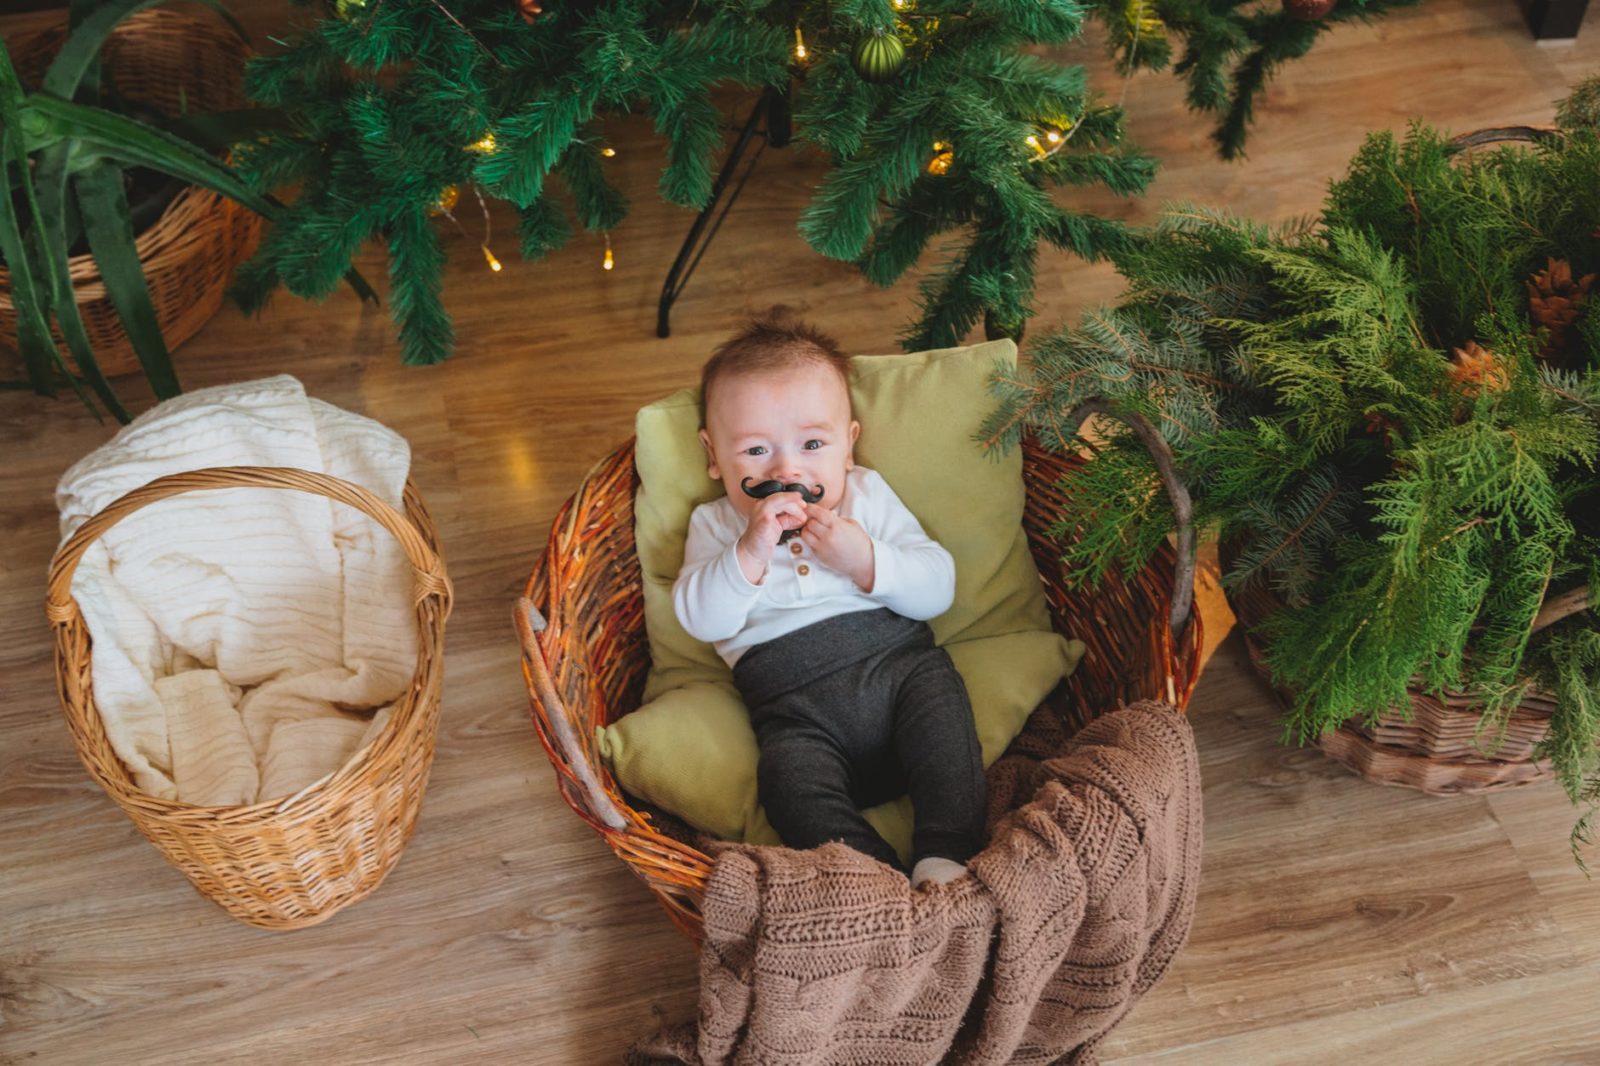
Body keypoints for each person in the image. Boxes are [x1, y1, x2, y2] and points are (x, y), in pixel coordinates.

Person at [671, 314, 985, 888]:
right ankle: (873, 880)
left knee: (943, 714)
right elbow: (699, 617)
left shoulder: (866, 496)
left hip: (898, 670)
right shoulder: (716, 525)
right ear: (714, 456)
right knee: (785, 784)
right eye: (756, 450)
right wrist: (750, 551)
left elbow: (938, 586)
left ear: (848, 448)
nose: (786, 470)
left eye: (813, 444)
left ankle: (945, 854)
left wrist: (867, 559)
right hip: (795, 711)